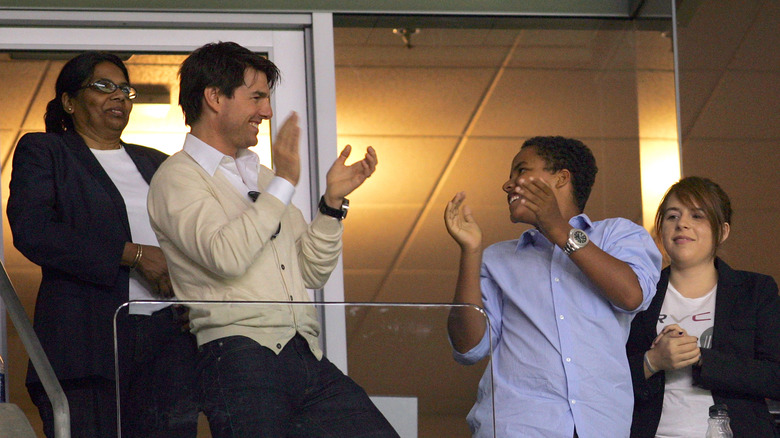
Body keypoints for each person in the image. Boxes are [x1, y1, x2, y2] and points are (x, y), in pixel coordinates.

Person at [147, 41, 397, 438]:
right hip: (236, 354)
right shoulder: (177, 176)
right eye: (257, 97)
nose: (266, 111)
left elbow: (312, 272)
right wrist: (283, 183)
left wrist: (331, 205)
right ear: (214, 97)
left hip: (304, 353)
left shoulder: (262, 178)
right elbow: (225, 256)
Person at [6, 51, 200, 438]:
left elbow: (192, 235)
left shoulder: (159, 163)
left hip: (168, 341)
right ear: (69, 101)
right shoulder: (47, 152)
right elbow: (34, 229)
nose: (118, 96)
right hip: (89, 343)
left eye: (125, 89)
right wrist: (134, 255)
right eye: (103, 86)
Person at [444, 136, 662, 438]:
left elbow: (631, 294)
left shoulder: (618, 235)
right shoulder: (497, 258)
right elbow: (468, 348)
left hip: (599, 426)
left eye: (521, 171)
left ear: (561, 178)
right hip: (516, 426)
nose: (508, 185)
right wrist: (471, 252)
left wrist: (556, 226)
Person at [626, 176, 780, 437]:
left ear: (723, 231)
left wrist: (700, 359)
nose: (682, 224)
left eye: (697, 216)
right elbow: (605, 376)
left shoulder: (755, 291)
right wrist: (653, 361)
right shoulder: (639, 294)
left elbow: (774, 376)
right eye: (672, 216)